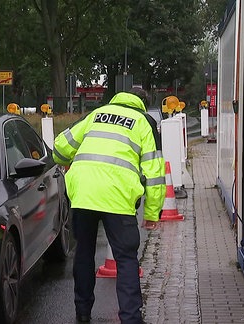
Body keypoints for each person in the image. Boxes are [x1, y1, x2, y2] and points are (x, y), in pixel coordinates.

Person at [52, 87, 166, 323]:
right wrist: (153, 213)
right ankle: (131, 318)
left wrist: (64, 161)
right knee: (125, 259)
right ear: (143, 103)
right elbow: (154, 172)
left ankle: (82, 312)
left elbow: (61, 147)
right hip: (118, 198)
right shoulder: (144, 122)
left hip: (83, 194)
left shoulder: (97, 113)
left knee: (83, 253)